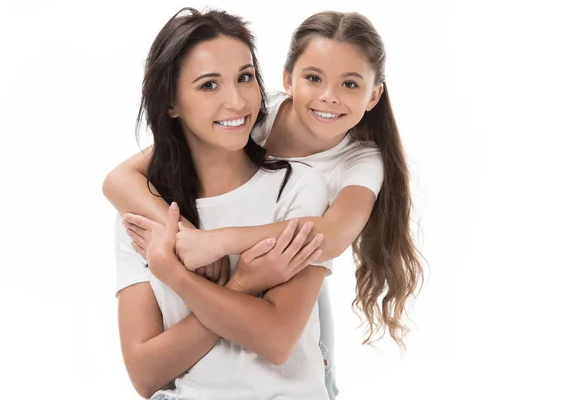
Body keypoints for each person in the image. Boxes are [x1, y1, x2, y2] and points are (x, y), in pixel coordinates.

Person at [106, 10, 424, 399]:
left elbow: (330, 237)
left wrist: (210, 247)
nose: (329, 96)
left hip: (300, 251)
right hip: (269, 250)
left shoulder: (348, 166)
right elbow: (118, 180)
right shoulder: (259, 115)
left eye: (244, 77)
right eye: (313, 78)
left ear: (374, 95)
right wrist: (191, 244)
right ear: (288, 80)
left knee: (312, 345)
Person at [113, 7, 334, 399]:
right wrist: (244, 284)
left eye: (245, 77)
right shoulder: (146, 208)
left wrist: (176, 275)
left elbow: (275, 339)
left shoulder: (298, 188)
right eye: (209, 85)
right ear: (171, 103)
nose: (236, 100)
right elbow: (145, 375)